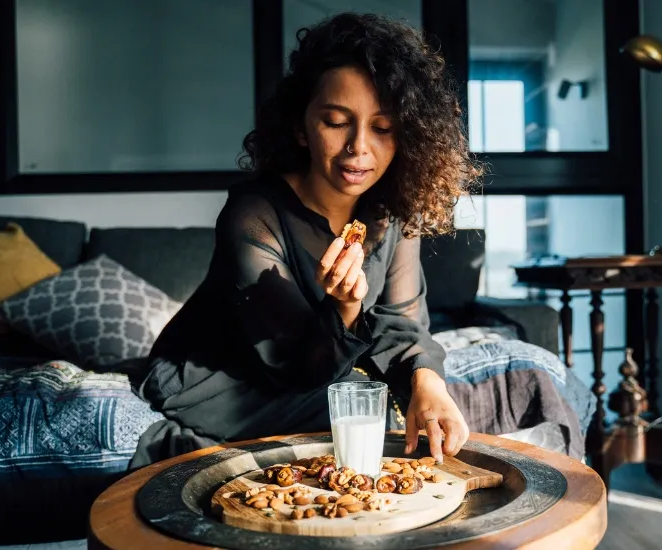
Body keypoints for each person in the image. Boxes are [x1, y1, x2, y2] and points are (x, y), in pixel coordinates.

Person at [129, 12, 484, 470]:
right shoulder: (254, 214)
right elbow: (296, 365)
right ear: (301, 127)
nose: (359, 147)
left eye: (382, 128)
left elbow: (402, 321)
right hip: (223, 375)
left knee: (409, 405)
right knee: (364, 417)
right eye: (337, 121)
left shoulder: (392, 211)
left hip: (319, 365)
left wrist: (428, 382)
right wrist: (345, 309)